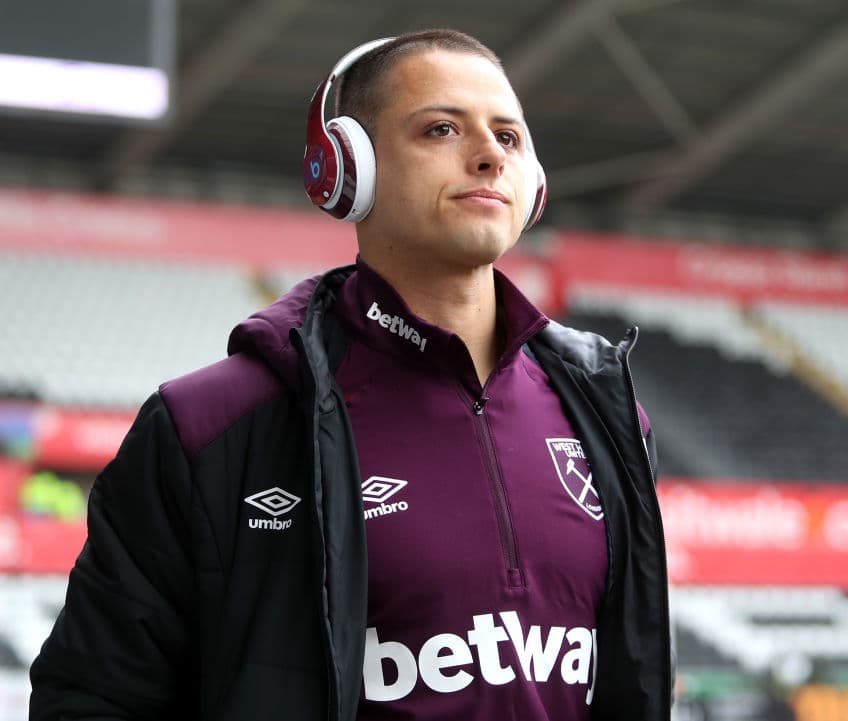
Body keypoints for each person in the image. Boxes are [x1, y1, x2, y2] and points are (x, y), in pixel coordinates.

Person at [29, 28, 671, 721]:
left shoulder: (609, 414)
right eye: (442, 129)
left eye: (510, 138)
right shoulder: (207, 427)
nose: (489, 155)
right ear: (345, 168)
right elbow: (93, 698)